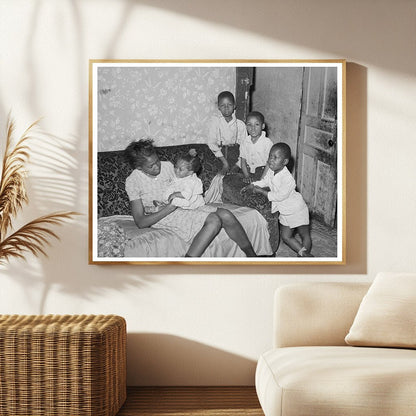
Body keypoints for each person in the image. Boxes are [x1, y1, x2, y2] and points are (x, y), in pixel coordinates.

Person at [124, 139, 258, 257]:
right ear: (139, 167)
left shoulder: (168, 167)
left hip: (184, 204)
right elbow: (141, 222)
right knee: (214, 220)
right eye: (151, 166)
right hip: (162, 214)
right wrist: (170, 207)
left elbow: (188, 180)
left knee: (226, 215)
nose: (157, 166)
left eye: (157, 161)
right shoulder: (133, 181)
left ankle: (253, 258)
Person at [241, 142, 313, 257]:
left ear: (284, 162)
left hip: (297, 209)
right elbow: (265, 181)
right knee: (286, 236)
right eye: (270, 156)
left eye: (275, 157)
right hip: (285, 211)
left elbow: (280, 196)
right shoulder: (271, 171)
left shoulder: (288, 179)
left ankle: (305, 257)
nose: (271, 160)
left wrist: (262, 191)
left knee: (304, 235)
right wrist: (253, 185)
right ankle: (304, 253)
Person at [207, 91, 247, 174]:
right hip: (219, 156)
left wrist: (237, 165)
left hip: (236, 157)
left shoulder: (240, 124)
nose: (226, 108)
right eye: (223, 105)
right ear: (218, 107)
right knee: (219, 178)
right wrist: (225, 163)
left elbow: (245, 147)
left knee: (237, 179)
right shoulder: (215, 122)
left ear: (234, 106)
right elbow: (211, 143)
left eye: (229, 105)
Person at [238, 111, 273, 183]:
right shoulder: (244, 142)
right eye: (249, 124)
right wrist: (247, 176)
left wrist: (262, 179)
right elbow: (243, 162)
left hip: (263, 172)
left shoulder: (267, 143)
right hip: (248, 172)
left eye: (256, 124)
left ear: (262, 126)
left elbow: (269, 163)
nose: (253, 128)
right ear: (246, 126)